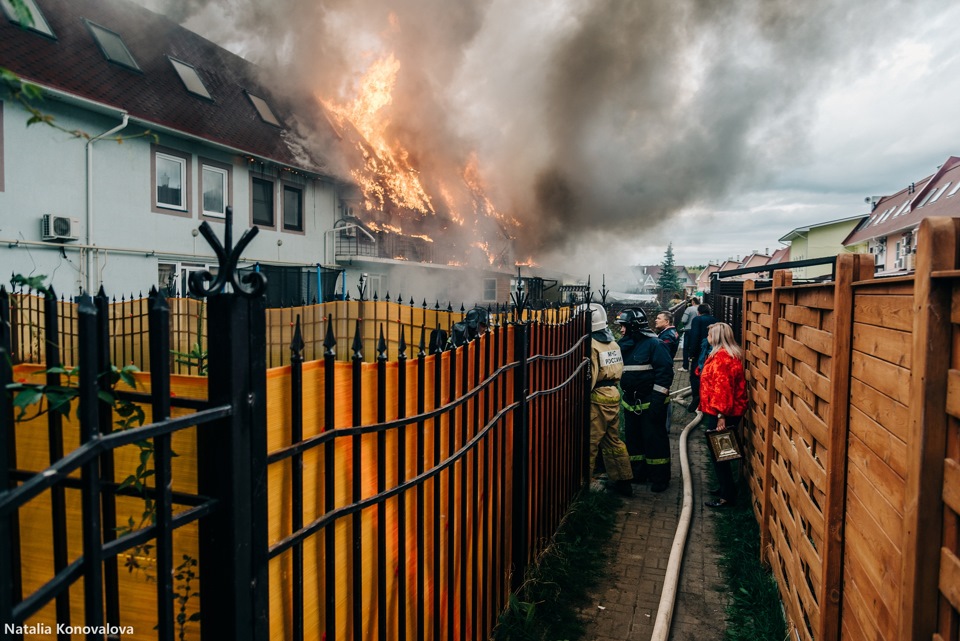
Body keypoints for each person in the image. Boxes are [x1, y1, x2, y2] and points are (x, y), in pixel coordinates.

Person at [616, 308, 675, 492]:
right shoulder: (623, 346)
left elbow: (664, 375)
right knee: (634, 442)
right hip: (631, 404)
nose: (621, 330)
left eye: (624, 326)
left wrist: (657, 402)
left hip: (651, 403)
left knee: (655, 441)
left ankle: (659, 478)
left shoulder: (655, 345)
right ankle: (638, 474)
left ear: (633, 327)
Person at [585, 303, 633, 496]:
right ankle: (623, 481)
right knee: (613, 441)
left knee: (590, 442)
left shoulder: (592, 345)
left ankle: (584, 483)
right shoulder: (612, 343)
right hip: (613, 395)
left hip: (598, 398)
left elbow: (592, 375)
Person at [699, 322, 748, 508]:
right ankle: (725, 488)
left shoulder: (722, 358)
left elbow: (723, 389)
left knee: (720, 453)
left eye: (710, 334)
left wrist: (721, 415)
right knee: (721, 452)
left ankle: (727, 497)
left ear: (717, 336)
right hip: (724, 410)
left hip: (723, 411)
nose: (707, 337)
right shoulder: (725, 355)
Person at [686, 303, 718, 412]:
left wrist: (691, 353)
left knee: (695, 375)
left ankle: (696, 398)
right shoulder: (715, 319)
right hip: (712, 352)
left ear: (699, 312)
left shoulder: (697, 320)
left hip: (700, 352)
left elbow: (694, 336)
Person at [679, 297, 699, 370]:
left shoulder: (689, 309)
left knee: (686, 348)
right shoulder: (701, 308)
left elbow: (684, 320)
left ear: (693, 302)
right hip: (698, 330)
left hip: (689, 330)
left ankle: (685, 366)